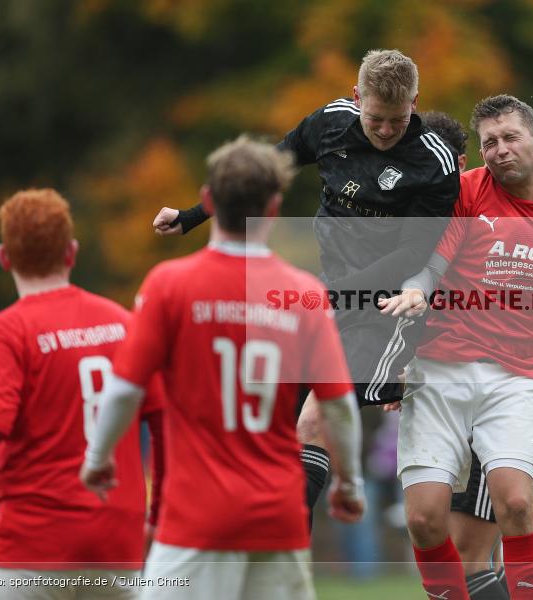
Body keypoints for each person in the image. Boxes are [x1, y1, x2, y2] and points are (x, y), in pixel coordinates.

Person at [151, 49, 460, 516]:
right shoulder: (331, 123)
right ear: (357, 98)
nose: (384, 131)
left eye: (397, 120)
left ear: (414, 103)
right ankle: (253, 530)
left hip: (384, 311)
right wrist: (192, 216)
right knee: (272, 422)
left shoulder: (434, 162)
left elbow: (412, 253)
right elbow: (263, 173)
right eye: (375, 119)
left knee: (313, 420)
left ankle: (284, 544)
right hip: (327, 295)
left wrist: (336, 296)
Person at [80, 136, 365, 600]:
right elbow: (337, 407)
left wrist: (98, 458)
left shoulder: (170, 284)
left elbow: (124, 389)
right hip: (277, 518)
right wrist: (349, 483)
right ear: (273, 208)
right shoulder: (305, 293)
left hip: (196, 517)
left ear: (208, 200)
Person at [379, 94, 533, 600]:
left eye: (510, 137)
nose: (500, 150)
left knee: (515, 503)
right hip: (437, 373)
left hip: (513, 379)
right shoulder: (465, 190)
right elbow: (434, 262)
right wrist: (417, 291)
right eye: (489, 142)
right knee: (423, 520)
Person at [0, 189, 165, 599]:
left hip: (31, 544)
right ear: (71, 252)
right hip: (116, 544)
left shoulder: (7, 332)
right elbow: (168, 425)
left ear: (4, 257)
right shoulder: (125, 323)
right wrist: (157, 515)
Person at [419, 110, 510, 600]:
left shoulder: (477, 211)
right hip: (436, 397)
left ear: (457, 163)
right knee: (439, 546)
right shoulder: (417, 220)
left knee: (467, 557)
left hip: (484, 393)